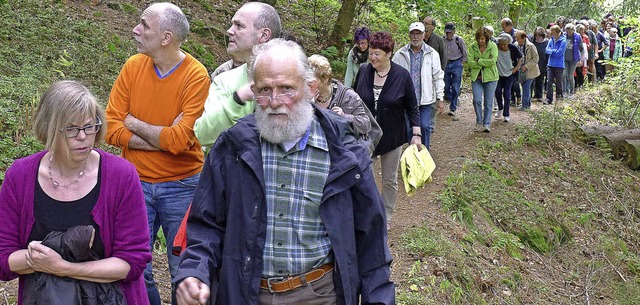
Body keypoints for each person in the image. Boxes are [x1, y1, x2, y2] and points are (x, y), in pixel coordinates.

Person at [174, 38, 394, 305]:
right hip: (245, 293)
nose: (275, 101)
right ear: (253, 91)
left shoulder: (344, 152)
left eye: (286, 89)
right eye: (265, 90)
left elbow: (371, 241)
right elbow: (206, 224)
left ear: (310, 88)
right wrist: (195, 271)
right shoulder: (233, 147)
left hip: (319, 293)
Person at [0, 80, 152, 305]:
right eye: (71, 129)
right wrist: (40, 260)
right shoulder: (20, 176)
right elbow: (3, 258)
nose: (83, 136)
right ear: (49, 129)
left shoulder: (121, 175)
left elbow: (133, 261)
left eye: (90, 126)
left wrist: (64, 268)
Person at [104, 3, 211, 304]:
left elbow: (180, 141)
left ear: (165, 38)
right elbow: (110, 128)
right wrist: (164, 136)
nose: (135, 30)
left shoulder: (196, 76)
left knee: (184, 271)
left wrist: (134, 123)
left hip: (183, 187)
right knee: (136, 268)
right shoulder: (133, 67)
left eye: (144, 25)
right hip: (134, 183)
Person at [354, 31, 422, 227]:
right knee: (362, 175)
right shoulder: (364, 71)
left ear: (388, 54)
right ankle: (366, 212)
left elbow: (412, 107)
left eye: (377, 54)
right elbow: (353, 97)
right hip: (366, 135)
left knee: (389, 179)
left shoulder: (402, 76)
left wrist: (416, 133)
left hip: (392, 136)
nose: (372, 57)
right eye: (371, 53)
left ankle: (386, 215)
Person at [193, 2, 281, 148]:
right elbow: (203, 135)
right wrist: (237, 100)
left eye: (239, 26)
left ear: (264, 35)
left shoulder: (292, 79)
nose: (229, 31)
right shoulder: (224, 80)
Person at [308, 54, 380, 155]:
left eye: (312, 82)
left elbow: (365, 124)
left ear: (325, 79)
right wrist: (309, 105)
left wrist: (344, 117)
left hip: (342, 157)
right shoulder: (304, 96)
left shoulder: (348, 96)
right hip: (315, 154)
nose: (308, 85)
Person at [392, 21, 445, 150]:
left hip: (425, 99)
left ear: (423, 35)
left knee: (425, 126)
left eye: (418, 33)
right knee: (410, 127)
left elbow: (438, 76)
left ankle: (424, 152)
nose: (415, 36)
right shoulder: (400, 54)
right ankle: (413, 154)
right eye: (413, 33)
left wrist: (440, 97)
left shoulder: (432, 54)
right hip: (407, 100)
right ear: (409, 35)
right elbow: (393, 76)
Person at [468, 27, 499, 132]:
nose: (480, 41)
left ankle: (486, 124)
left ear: (486, 38)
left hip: (491, 78)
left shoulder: (493, 46)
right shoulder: (473, 47)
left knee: (488, 102)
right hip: (477, 77)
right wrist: (484, 62)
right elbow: (470, 62)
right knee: (477, 100)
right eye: (479, 39)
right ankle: (479, 121)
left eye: (482, 39)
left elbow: (492, 61)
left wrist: (479, 61)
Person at [494, 33, 522, 122]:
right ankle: (500, 107)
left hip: (509, 74)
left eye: (504, 45)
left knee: (507, 93)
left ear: (508, 43)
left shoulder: (513, 48)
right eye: (500, 44)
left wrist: (516, 67)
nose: (502, 46)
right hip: (498, 74)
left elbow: (520, 57)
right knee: (497, 92)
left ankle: (506, 114)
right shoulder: (495, 47)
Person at [442, 22, 467, 119]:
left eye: (450, 32)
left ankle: (453, 107)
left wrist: (462, 63)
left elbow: (464, 52)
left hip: (457, 63)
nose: (448, 34)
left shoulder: (458, 40)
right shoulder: (442, 40)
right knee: (446, 86)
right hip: (446, 63)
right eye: (447, 32)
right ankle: (452, 99)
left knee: (456, 86)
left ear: (453, 31)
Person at [515, 30, 540, 110]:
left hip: (530, 70)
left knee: (526, 87)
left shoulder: (531, 46)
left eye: (519, 39)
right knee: (524, 86)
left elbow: (536, 58)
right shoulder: (516, 45)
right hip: (520, 70)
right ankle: (528, 104)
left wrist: (527, 66)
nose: (517, 40)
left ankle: (525, 105)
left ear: (524, 38)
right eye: (516, 39)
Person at [545, 25, 567, 105]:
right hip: (550, 64)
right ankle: (548, 99)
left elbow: (559, 53)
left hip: (559, 65)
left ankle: (559, 98)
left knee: (558, 82)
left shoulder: (563, 41)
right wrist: (553, 51)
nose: (551, 33)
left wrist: (552, 51)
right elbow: (546, 50)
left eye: (552, 32)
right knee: (549, 81)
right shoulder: (551, 40)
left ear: (556, 32)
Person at [562, 23, 583, 97]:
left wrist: (581, 59)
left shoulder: (577, 36)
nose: (568, 33)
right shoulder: (563, 35)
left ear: (572, 30)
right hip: (564, 59)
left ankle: (571, 92)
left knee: (570, 76)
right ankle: (564, 92)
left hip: (574, 59)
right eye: (567, 31)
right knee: (563, 75)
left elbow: (581, 48)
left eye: (569, 31)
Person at [532, 27, 549, 102]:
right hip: (533, 64)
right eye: (536, 35)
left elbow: (548, 54)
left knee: (540, 80)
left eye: (539, 35)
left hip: (543, 63)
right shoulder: (532, 42)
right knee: (532, 80)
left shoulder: (546, 42)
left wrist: (547, 64)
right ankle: (531, 94)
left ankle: (539, 95)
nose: (537, 37)